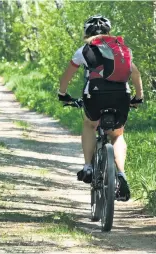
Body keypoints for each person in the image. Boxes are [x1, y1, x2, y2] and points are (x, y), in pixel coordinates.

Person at [58, 15, 144, 201]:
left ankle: (88, 167)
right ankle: (120, 174)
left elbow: (67, 77)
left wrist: (62, 94)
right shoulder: (121, 49)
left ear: (86, 32)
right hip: (122, 95)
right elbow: (135, 73)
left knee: (90, 124)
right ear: (108, 32)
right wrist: (139, 97)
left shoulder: (84, 50)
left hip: (95, 96)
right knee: (118, 134)